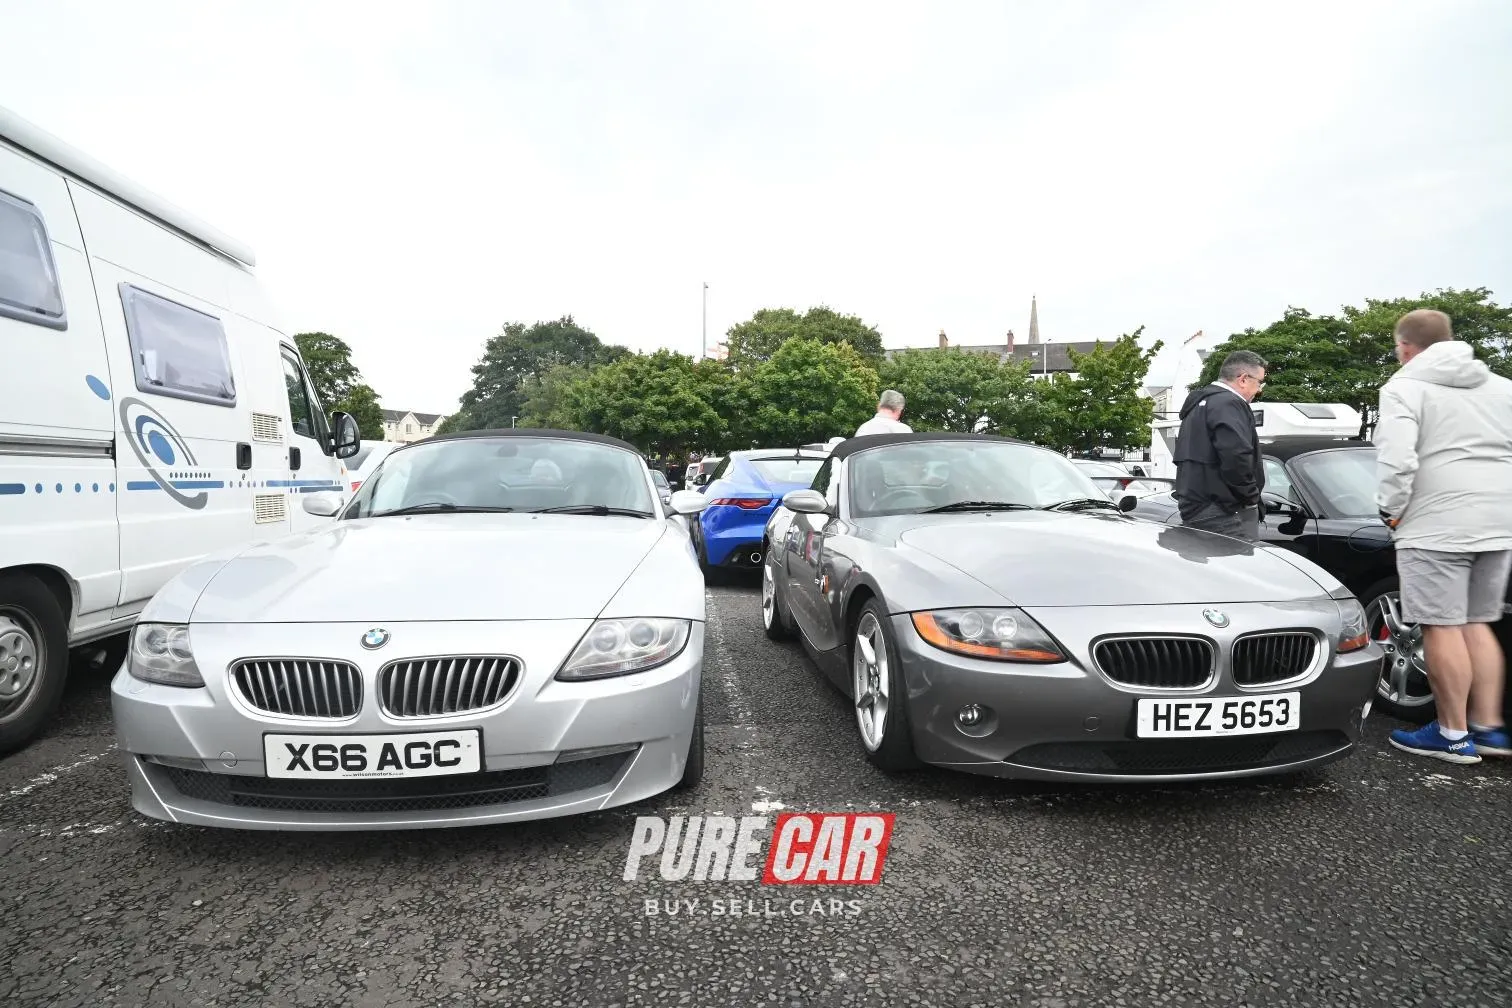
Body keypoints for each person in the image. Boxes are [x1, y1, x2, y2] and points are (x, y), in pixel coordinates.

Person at [1375, 308, 1512, 764]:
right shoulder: (1501, 387)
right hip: (1499, 523)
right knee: (1477, 622)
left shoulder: (1404, 387)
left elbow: (1397, 458)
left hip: (1436, 523)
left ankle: (1451, 735)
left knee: (1441, 624)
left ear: (1406, 347)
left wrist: (1391, 510)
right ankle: (1489, 729)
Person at [1172, 350, 1267, 541]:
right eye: (1259, 383)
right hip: (1223, 510)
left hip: (1196, 505)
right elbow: (1236, 456)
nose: (1259, 390)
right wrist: (1251, 499)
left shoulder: (1200, 404)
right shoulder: (1229, 403)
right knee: (1239, 567)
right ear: (1243, 379)